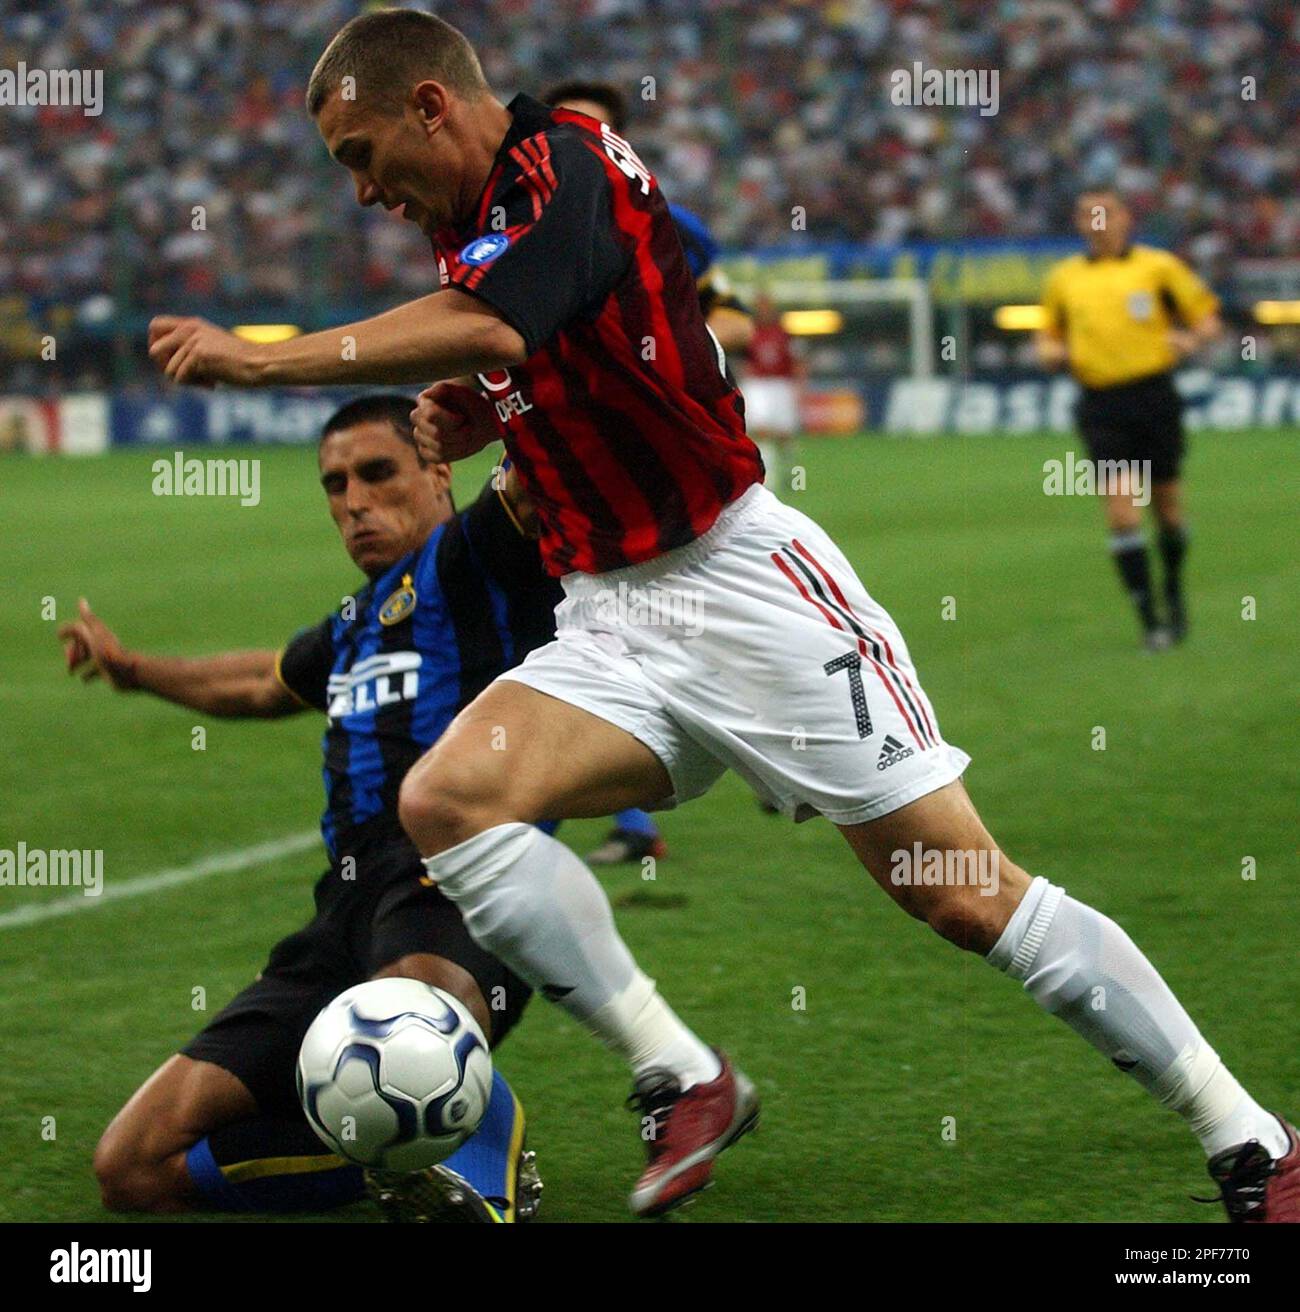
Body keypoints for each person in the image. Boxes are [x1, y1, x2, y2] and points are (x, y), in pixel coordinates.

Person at [146, 9, 1297, 1224]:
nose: (364, 189)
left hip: (747, 592)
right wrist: (503, 417)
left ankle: (1251, 1138)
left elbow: (504, 320)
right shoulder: (478, 213)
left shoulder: (564, 161)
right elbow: (563, 343)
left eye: (362, 154)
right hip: (612, 620)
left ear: (432, 105)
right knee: (446, 800)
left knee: (960, 890)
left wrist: (262, 360)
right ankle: (683, 1074)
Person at [63, 395, 557, 1223]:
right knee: (132, 1170)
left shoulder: (479, 562)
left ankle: (484, 1175)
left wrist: (511, 389)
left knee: (413, 1010)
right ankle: (402, 1163)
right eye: (335, 484)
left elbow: (541, 475)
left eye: (377, 473)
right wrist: (134, 669)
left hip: (460, 880)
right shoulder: (355, 624)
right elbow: (263, 682)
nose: (354, 501)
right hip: (340, 917)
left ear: (439, 472)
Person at [544, 77, 753, 864]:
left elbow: (726, 304)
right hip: (563, 457)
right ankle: (616, 823)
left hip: (662, 461)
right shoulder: (520, 224)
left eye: (596, 132)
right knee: (582, 634)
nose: (581, 148)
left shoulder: (661, 219)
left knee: (661, 625)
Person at [1037, 189, 1222, 649]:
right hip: (1100, 405)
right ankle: (1150, 620)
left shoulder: (1157, 268)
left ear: (1125, 219)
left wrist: (1192, 341)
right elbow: (1046, 337)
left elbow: (1207, 318)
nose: (1095, 221)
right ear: (1079, 224)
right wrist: (1051, 352)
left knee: (1168, 507)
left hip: (1154, 397)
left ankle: (1174, 591)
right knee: (1122, 514)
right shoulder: (1064, 279)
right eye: (1085, 213)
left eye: (1104, 212)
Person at [743, 292, 803, 497]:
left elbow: (797, 361)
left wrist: (799, 386)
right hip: (758, 384)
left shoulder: (784, 333)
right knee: (761, 430)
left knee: (785, 434)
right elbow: (743, 360)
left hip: (782, 384)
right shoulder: (748, 331)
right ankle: (768, 478)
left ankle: (794, 475)